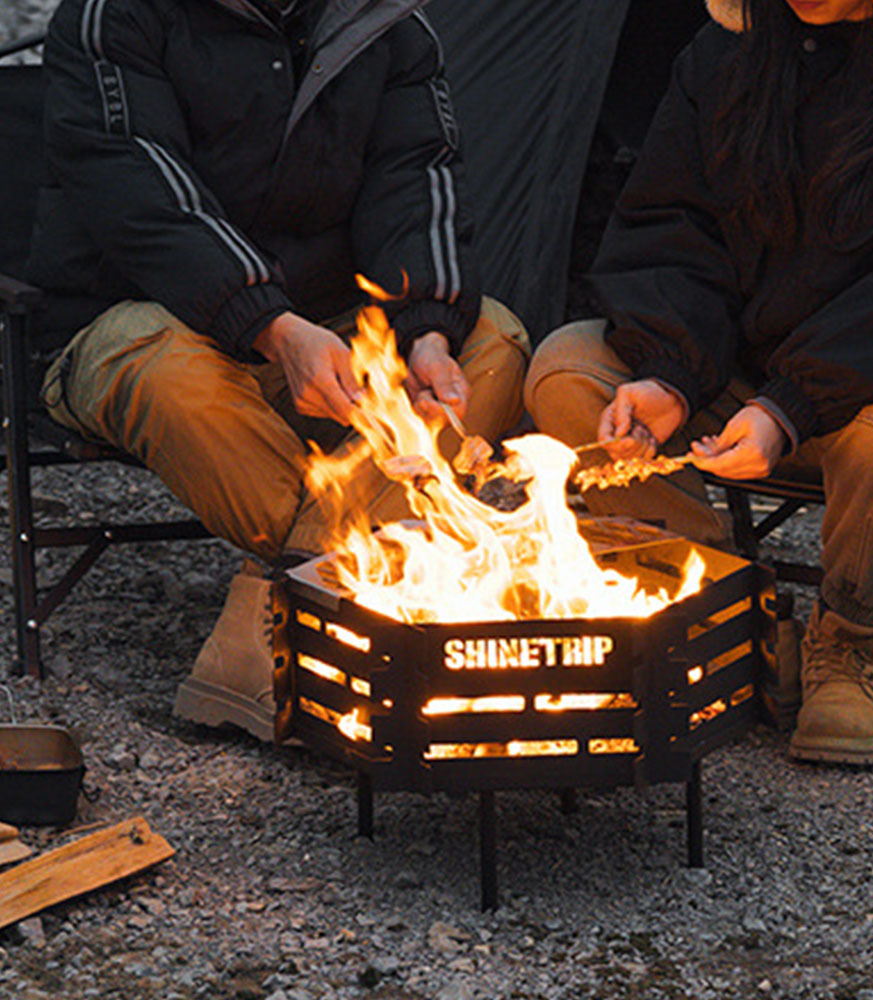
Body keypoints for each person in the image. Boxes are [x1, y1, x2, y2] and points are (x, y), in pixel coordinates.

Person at [27, 0, 531, 741]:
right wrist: (274, 328)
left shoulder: (385, 22)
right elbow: (142, 194)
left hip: (328, 332)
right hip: (143, 317)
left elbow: (416, 175)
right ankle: (357, 582)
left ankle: (288, 593)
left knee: (493, 340)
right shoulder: (117, 15)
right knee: (162, 367)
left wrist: (426, 329)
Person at [525, 0, 873, 764]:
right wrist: (673, 372)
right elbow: (672, 227)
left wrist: (791, 404)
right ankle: (728, 615)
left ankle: (846, 645)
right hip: (754, 378)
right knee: (568, 369)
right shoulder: (728, 50)